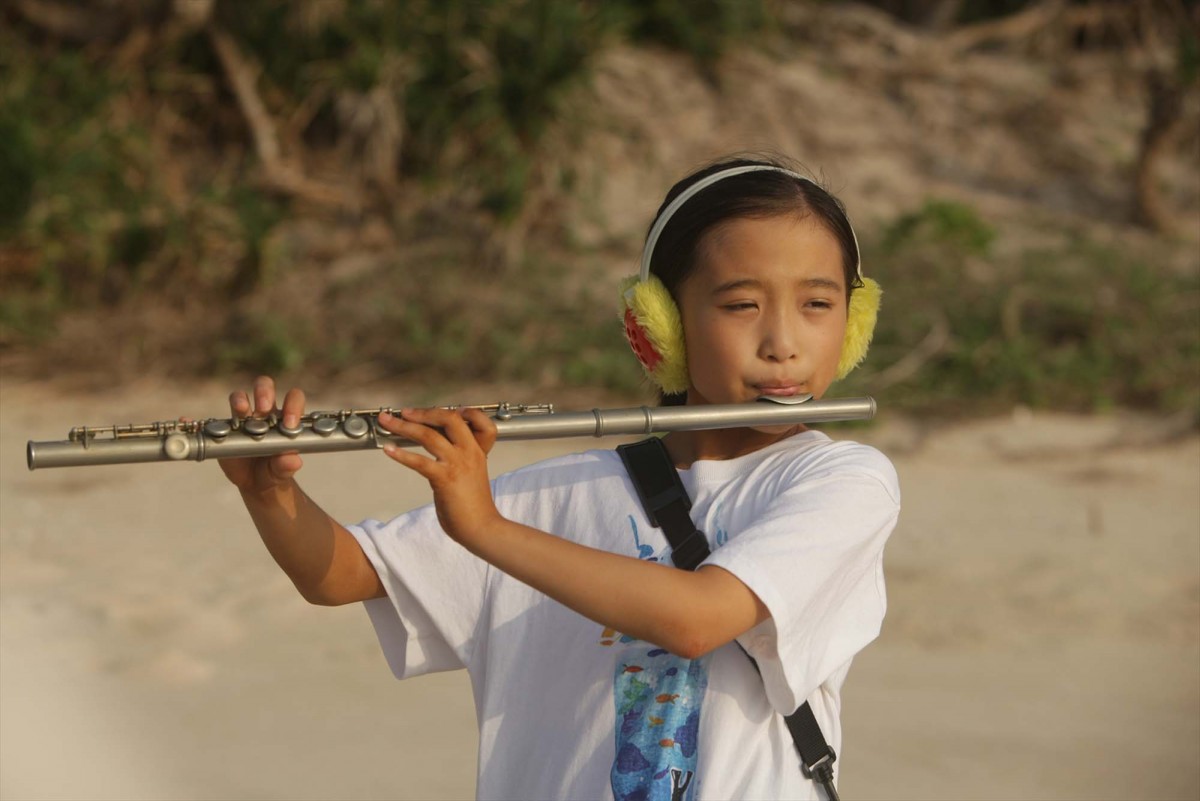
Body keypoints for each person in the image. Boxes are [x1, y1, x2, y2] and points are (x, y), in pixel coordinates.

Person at [220, 155, 900, 801]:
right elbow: (341, 575)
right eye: (741, 304)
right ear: (659, 327)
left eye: (817, 304)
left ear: (853, 321)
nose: (783, 341)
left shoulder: (841, 482)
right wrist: (269, 492)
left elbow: (698, 619)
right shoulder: (558, 492)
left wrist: (484, 527)